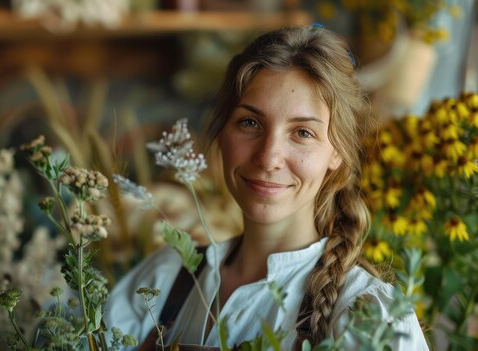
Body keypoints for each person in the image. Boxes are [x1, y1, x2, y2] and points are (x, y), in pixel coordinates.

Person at [104, 25, 429, 350]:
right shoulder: (165, 279)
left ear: (338, 155)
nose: (268, 157)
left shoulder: (369, 318)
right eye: (250, 123)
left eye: (302, 132)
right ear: (221, 134)